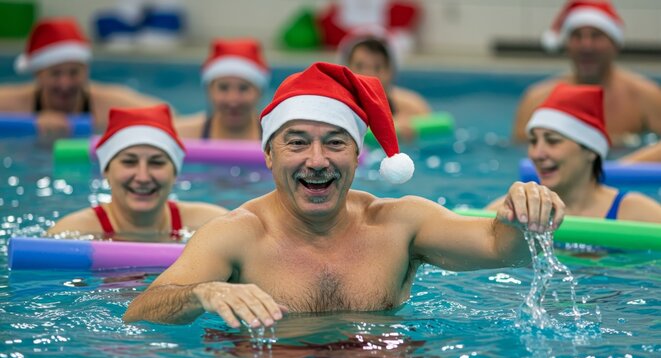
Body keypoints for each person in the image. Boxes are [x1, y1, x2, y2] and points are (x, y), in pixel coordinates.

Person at [123, 62, 565, 326]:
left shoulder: (398, 223)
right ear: (269, 156)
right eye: (297, 142)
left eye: (335, 142)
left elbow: (503, 248)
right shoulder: (237, 236)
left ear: (358, 156)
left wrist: (524, 213)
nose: (317, 160)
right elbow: (139, 312)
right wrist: (204, 293)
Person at [48, 104, 229, 241]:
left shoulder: (210, 224)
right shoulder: (72, 234)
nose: (143, 177)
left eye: (156, 163)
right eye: (129, 162)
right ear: (106, 171)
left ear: (175, 173)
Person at [491, 84, 661, 222]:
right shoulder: (516, 209)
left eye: (552, 141)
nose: (537, 154)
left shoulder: (634, 213)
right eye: (533, 141)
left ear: (590, 150)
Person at [512, 0, 661, 145]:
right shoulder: (537, 100)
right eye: (577, 36)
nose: (586, 46)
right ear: (567, 44)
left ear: (615, 44)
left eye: (596, 36)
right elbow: (520, 158)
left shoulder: (647, 98)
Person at [0, 18, 166, 139]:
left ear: (86, 71)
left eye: (74, 73)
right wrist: (32, 122)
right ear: (38, 74)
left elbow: (167, 117)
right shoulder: (14, 104)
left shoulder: (108, 104)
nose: (65, 83)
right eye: (55, 74)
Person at [338, 27, 430, 140]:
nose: (368, 74)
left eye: (377, 67)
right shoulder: (337, 107)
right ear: (346, 70)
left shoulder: (412, 107)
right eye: (360, 66)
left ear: (390, 72)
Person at [174, 38, 269, 140]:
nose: (233, 100)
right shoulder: (183, 134)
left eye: (243, 88)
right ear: (209, 90)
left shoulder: (274, 137)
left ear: (260, 92)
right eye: (223, 88)